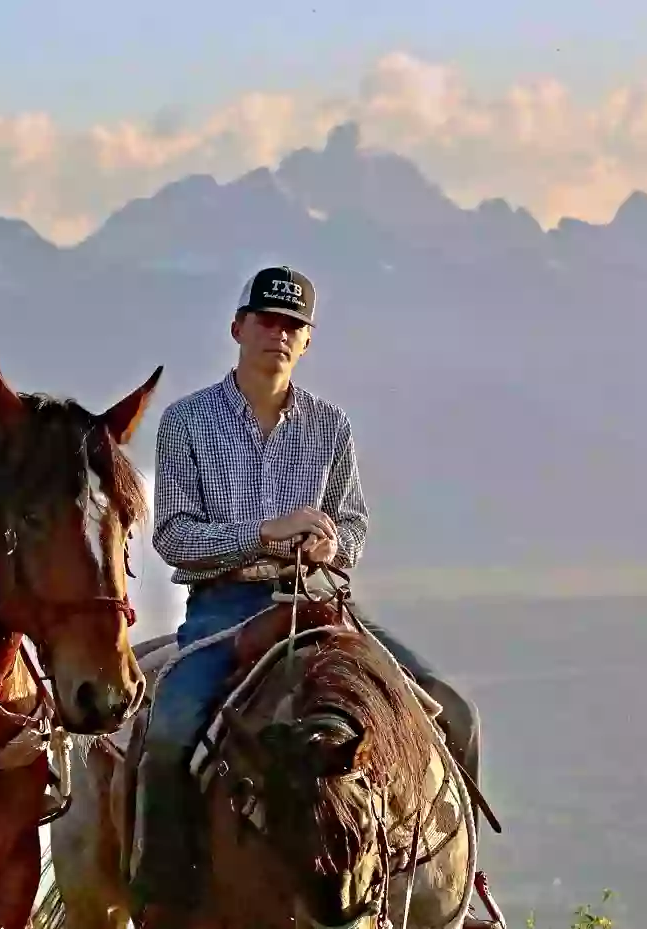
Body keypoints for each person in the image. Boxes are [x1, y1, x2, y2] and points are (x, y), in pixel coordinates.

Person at [131, 266, 484, 921]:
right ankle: (165, 893)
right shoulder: (186, 423)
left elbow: (352, 520)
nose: (279, 334)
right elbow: (174, 535)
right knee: (172, 723)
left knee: (455, 713)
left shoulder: (331, 425)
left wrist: (329, 544)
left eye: (293, 326)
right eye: (267, 320)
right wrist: (267, 532)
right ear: (238, 327)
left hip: (321, 609)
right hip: (224, 611)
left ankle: (449, 892)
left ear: (308, 342)